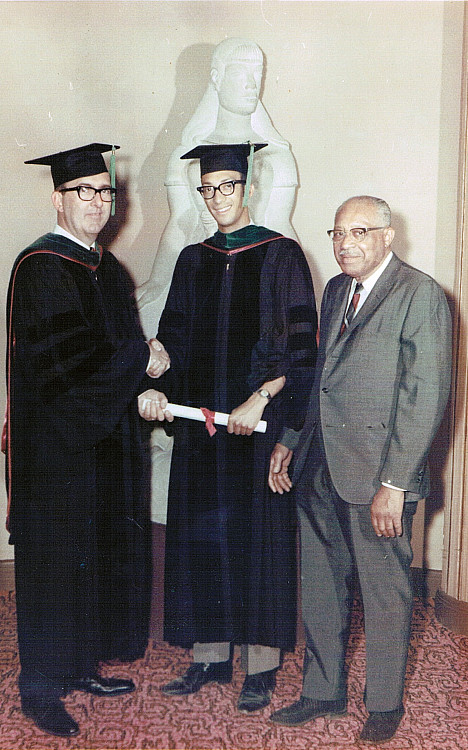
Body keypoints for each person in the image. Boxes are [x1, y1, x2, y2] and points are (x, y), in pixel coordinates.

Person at [139, 143, 317, 713]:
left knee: (258, 539)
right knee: (200, 537)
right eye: (208, 188)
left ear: (247, 189)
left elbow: (301, 349)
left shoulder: (282, 254)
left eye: (228, 187)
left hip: (256, 426)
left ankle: (261, 664)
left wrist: (261, 399)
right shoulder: (193, 258)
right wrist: (157, 380)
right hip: (203, 427)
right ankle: (210, 655)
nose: (218, 199)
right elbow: (175, 338)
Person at [268, 196, 452, 744]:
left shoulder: (420, 295)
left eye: (360, 231)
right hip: (321, 465)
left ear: (388, 237)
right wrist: (292, 440)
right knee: (321, 586)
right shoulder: (335, 291)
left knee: (384, 591)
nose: (345, 242)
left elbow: (426, 398)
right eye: (338, 232)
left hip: (380, 478)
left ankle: (385, 705)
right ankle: (322, 693)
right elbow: (322, 377)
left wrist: (394, 485)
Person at [6, 143, 169, 737]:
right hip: (57, 452)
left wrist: (142, 379)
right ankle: (40, 689)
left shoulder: (107, 269)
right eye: (85, 192)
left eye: (105, 192)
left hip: (100, 445)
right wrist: (141, 358)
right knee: (52, 569)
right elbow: (66, 361)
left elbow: (115, 362)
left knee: (90, 562)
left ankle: (78, 667)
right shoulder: (42, 266)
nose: (99, 203)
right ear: (58, 198)